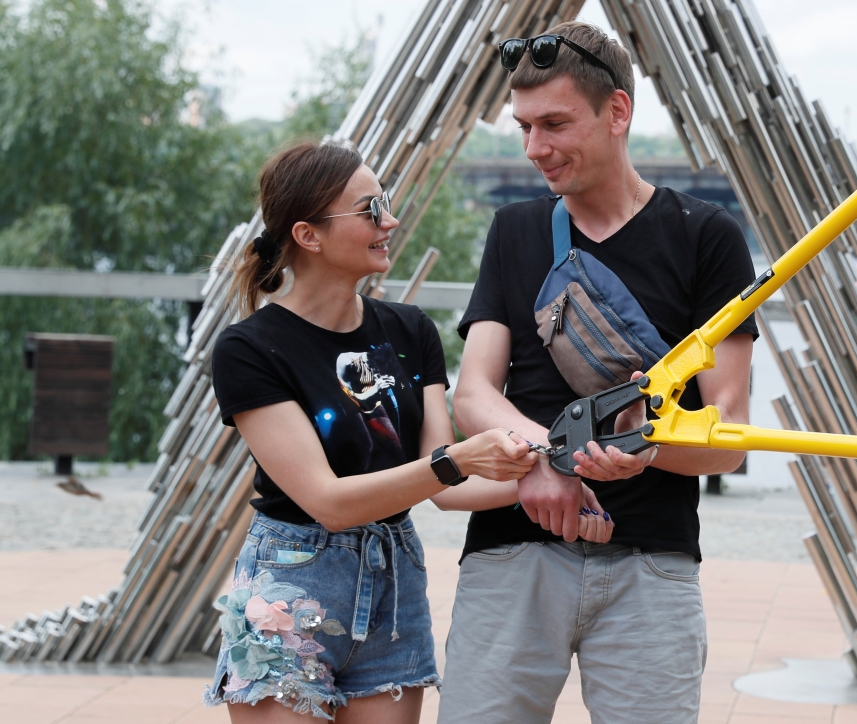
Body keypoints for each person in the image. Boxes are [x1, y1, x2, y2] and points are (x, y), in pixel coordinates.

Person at [203, 140, 617, 723]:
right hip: (290, 589)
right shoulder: (250, 350)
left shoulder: (410, 330)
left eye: (386, 204)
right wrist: (459, 461)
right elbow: (329, 502)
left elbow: (446, 488)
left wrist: (555, 472)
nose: (389, 221)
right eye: (370, 209)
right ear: (308, 235)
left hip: (393, 581)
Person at [438, 22, 757, 724]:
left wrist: (632, 456)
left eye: (554, 123)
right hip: (512, 550)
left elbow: (729, 438)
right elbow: (474, 392)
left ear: (618, 112)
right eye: (524, 127)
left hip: (653, 561)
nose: (535, 149)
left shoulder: (707, 237)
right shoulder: (516, 229)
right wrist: (550, 458)